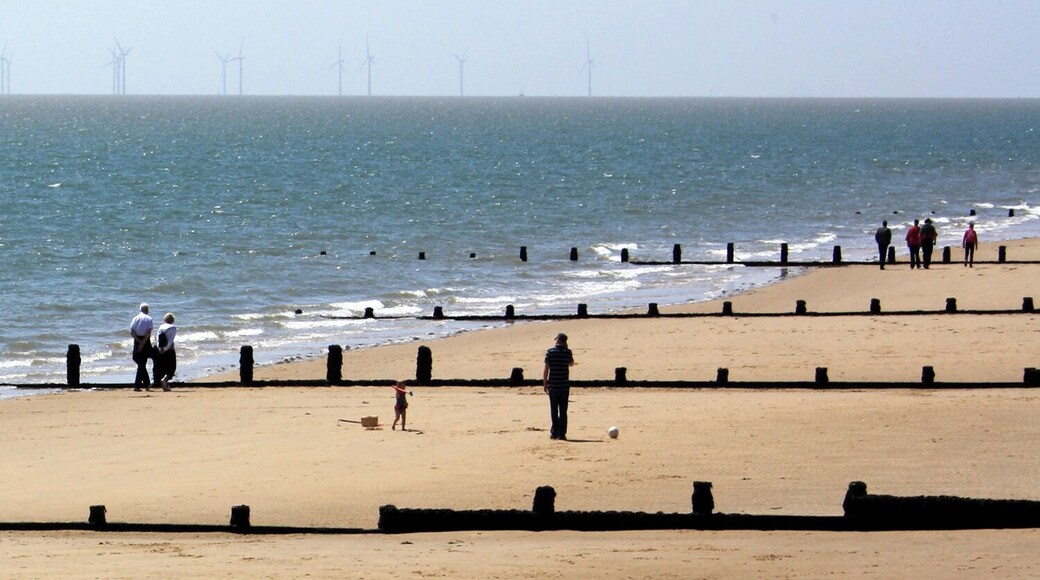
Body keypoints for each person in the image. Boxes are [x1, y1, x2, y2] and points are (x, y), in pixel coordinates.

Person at [543, 332, 575, 441]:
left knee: (553, 409)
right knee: (563, 410)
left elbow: (546, 369)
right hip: (564, 385)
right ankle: (562, 433)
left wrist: (545, 382)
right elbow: (571, 363)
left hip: (553, 384)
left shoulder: (550, 352)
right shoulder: (568, 352)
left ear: (557, 340)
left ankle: (554, 432)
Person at [129, 303, 154, 392]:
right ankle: (143, 384)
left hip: (137, 339)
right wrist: (143, 343)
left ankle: (143, 384)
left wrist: (139, 342)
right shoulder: (149, 319)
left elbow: (132, 332)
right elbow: (148, 333)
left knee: (140, 363)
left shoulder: (135, 318)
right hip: (145, 340)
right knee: (142, 363)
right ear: (147, 310)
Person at [155, 312, 177, 391]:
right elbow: (170, 341)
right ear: (172, 320)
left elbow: (158, 338)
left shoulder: (161, 326)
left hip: (160, 349)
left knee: (163, 367)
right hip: (169, 350)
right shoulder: (172, 328)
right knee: (172, 368)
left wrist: (160, 348)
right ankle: (165, 381)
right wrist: (165, 349)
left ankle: (164, 383)